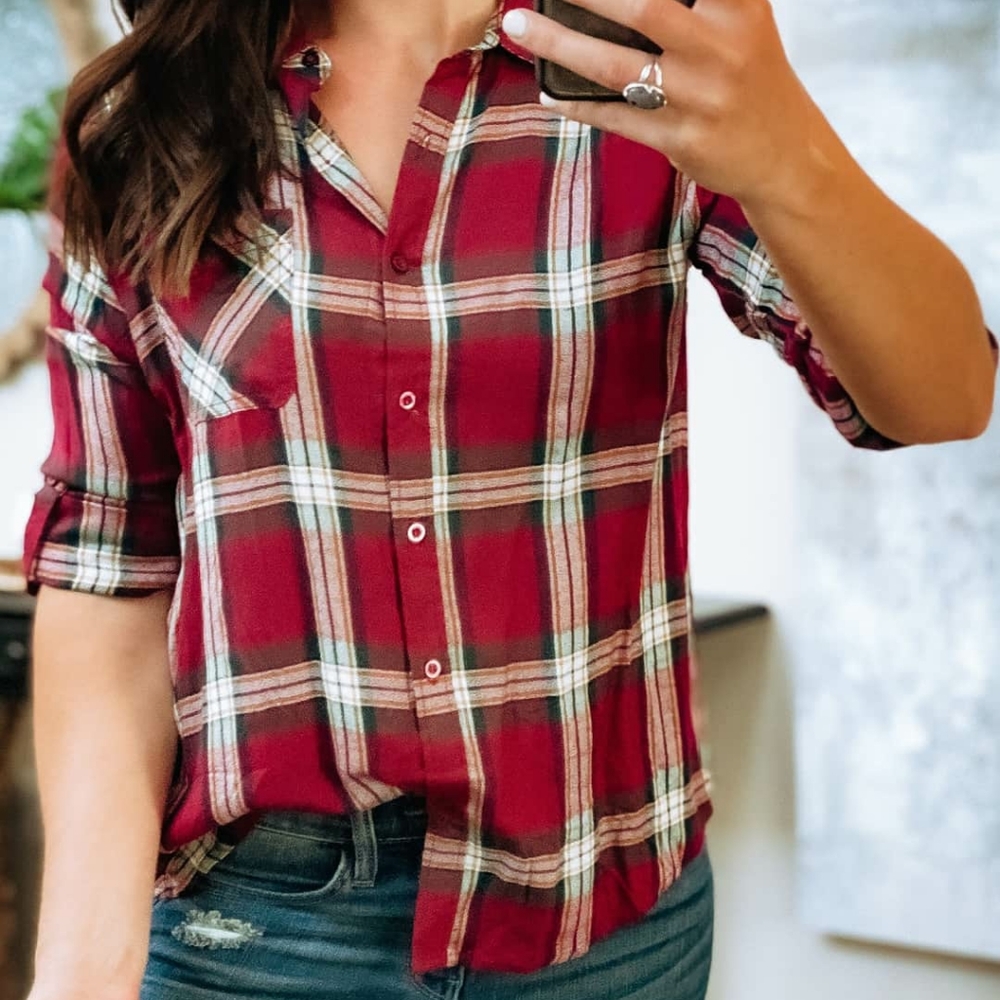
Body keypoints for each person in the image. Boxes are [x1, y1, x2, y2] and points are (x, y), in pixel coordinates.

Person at [22, 1, 997, 999]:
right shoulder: (148, 120)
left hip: (606, 923)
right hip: (259, 925)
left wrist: (786, 150)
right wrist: (81, 969)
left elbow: (944, 397)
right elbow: (110, 569)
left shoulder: (641, 55)